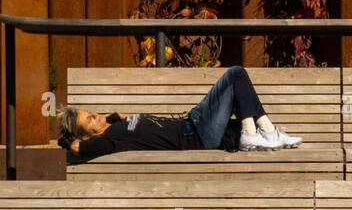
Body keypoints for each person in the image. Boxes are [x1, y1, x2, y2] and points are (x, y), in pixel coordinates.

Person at [60, 65, 302, 162]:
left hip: (196, 125)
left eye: (92, 112)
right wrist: (67, 139)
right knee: (236, 74)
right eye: (89, 119)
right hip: (195, 134)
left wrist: (110, 118)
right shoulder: (108, 141)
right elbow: (77, 148)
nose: (96, 115)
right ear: (86, 134)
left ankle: (268, 132)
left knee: (241, 96)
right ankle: (257, 134)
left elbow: (118, 117)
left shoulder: (114, 124)